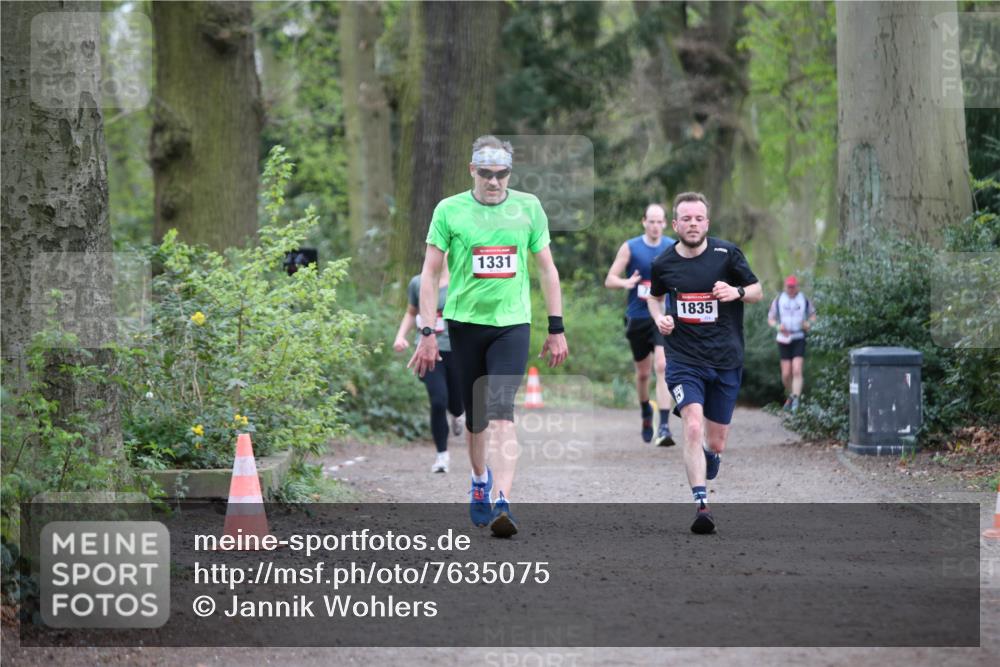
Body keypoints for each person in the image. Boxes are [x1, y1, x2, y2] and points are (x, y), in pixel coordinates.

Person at [408, 135, 569, 538]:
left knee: (500, 412)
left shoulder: (528, 207)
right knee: (475, 419)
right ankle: (479, 481)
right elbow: (428, 274)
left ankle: (502, 502)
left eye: (502, 174)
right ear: (472, 171)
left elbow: (547, 269)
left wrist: (556, 327)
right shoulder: (450, 210)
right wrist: (428, 331)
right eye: (486, 174)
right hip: (463, 325)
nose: (494, 182)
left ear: (510, 172)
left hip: (512, 324)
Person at [647, 192, 762, 534]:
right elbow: (654, 298)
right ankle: (702, 505)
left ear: (706, 223)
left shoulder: (727, 254)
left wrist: (736, 292)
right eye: (686, 219)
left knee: (717, 441)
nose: (693, 224)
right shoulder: (664, 263)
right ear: (675, 224)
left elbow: (757, 289)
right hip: (684, 358)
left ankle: (711, 457)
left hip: (725, 358)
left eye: (699, 219)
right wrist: (660, 319)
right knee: (692, 426)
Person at [604, 203, 675, 446]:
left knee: (663, 365)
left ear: (665, 223)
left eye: (659, 221)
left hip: (663, 316)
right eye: (651, 221)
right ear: (644, 222)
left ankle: (664, 426)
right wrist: (625, 283)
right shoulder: (631, 246)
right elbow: (610, 279)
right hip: (637, 316)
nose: (655, 226)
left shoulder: (671, 247)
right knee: (643, 374)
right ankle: (646, 410)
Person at [393, 262, 464, 473]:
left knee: (457, 402)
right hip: (428, 351)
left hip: (457, 350)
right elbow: (410, 312)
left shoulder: (461, 281)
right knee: (438, 400)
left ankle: (458, 413)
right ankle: (442, 456)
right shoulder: (418, 283)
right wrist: (400, 336)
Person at [767, 275, 817, 412]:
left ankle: (796, 399)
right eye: (788, 286)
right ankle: (790, 395)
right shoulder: (778, 300)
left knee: (797, 369)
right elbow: (770, 319)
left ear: (797, 287)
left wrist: (809, 323)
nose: (790, 289)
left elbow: (813, 315)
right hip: (783, 338)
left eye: (793, 286)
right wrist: (778, 327)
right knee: (786, 373)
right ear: (785, 286)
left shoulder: (804, 300)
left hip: (798, 337)